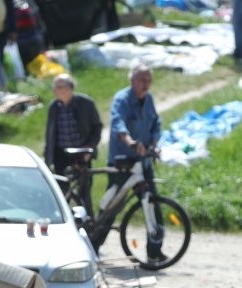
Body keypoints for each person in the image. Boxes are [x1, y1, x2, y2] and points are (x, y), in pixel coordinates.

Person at [94, 65, 163, 258]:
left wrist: (154, 144)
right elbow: (118, 123)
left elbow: (156, 123)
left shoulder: (148, 99)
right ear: (132, 80)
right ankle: (93, 247)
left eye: (149, 80)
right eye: (143, 80)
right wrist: (131, 142)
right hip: (122, 163)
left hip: (143, 164)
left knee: (153, 205)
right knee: (112, 207)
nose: (146, 84)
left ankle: (155, 251)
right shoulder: (122, 99)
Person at [44, 73, 102, 217]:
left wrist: (89, 149)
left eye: (58, 87)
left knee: (84, 192)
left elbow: (97, 127)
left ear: (70, 88)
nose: (54, 90)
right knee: (62, 193)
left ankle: (89, 225)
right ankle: (64, 222)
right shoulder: (54, 107)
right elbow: (50, 136)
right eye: (54, 87)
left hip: (81, 155)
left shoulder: (85, 103)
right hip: (61, 156)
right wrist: (48, 160)